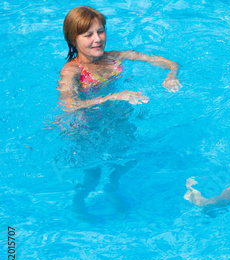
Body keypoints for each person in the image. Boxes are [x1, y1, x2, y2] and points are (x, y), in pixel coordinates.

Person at [52, 6, 181, 216]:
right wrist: (112, 96)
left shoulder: (116, 57)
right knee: (92, 174)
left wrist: (171, 75)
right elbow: (69, 106)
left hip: (117, 120)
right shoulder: (71, 71)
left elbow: (168, 63)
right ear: (73, 40)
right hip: (88, 128)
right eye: (88, 35)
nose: (97, 39)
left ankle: (112, 187)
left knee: (126, 159)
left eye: (100, 31)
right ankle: (79, 204)